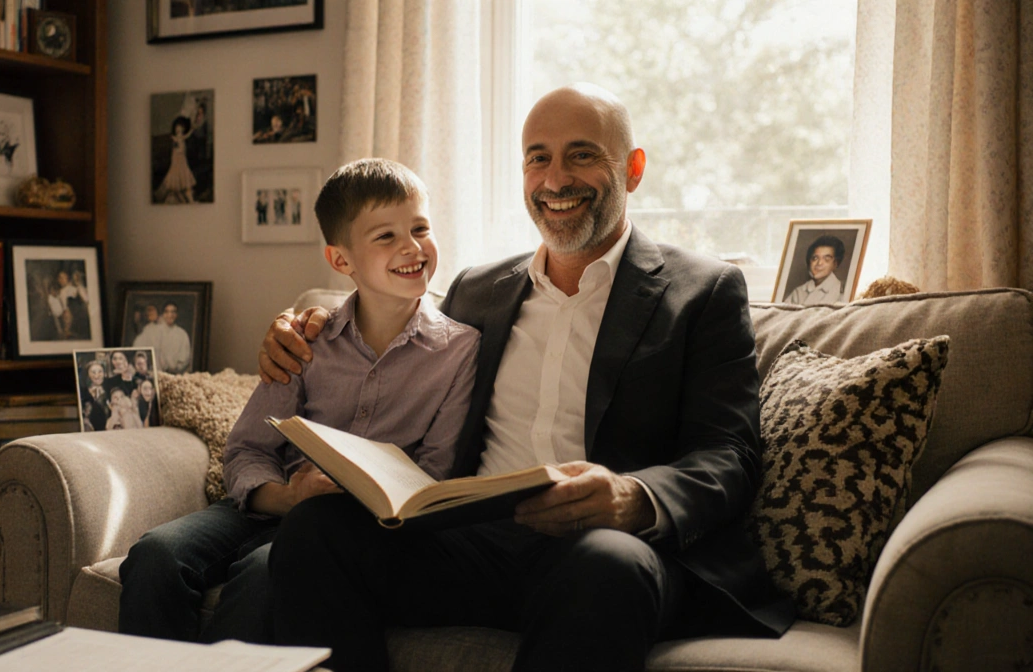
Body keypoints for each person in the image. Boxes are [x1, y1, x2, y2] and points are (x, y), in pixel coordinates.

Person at [259, 84, 795, 671]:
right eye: (538, 158)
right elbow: (388, 325)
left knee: (606, 565)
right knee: (318, 532)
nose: (555, 178)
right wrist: (305, 324)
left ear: (633, 169)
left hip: (607, 547)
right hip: (472, 541)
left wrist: (631, 497)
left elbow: (729, 453)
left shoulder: (703, 291)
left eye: (582, 155)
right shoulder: (477, 288)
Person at [117, 158, 481, 645]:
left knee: (263, 575)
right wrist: (288, 497)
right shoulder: (309, 336)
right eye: (386, 236)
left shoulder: (459, 350)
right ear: (341, 261)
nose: (412, 247)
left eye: (420, 228)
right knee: (155, 555)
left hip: (341, 531)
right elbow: (247, 450)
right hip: (265, 504)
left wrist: (344, 501)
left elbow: (434, 476)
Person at [783, 235, 845, 305]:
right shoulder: (798, 292)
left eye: (826, 259)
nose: (819, 263)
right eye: (815, 258)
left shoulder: (841, 292)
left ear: (835, 264)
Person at [132, 302, 192, 373]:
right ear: (163, 314)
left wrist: (172, 369)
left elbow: (184, 359)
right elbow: (137, 347)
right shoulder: (151, 330)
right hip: (153, 373)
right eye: (167, 312)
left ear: (176, 315)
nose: (170, 315)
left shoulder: (182, 334)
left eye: (173, 312)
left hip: (173, 375)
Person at [156, 115, 197, 203]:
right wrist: (178, 148)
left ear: (183, 129)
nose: (179, 130)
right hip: (177, 160)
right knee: (176, 177)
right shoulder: (175, 138)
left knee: (185, 177)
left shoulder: (182, 137)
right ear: (175, 129)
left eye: (180, 129)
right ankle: (185, 198)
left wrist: (192, 128)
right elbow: (176, 149)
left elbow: (187, 135)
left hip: (182, 160)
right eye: (177, 129)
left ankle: (190, 199)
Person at [79, 359, 110, 432]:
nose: (97, 375)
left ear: (104, 373)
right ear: (88, 375)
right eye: (93, 372)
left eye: (100, 372)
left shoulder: (110, 390)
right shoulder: (83, 393)